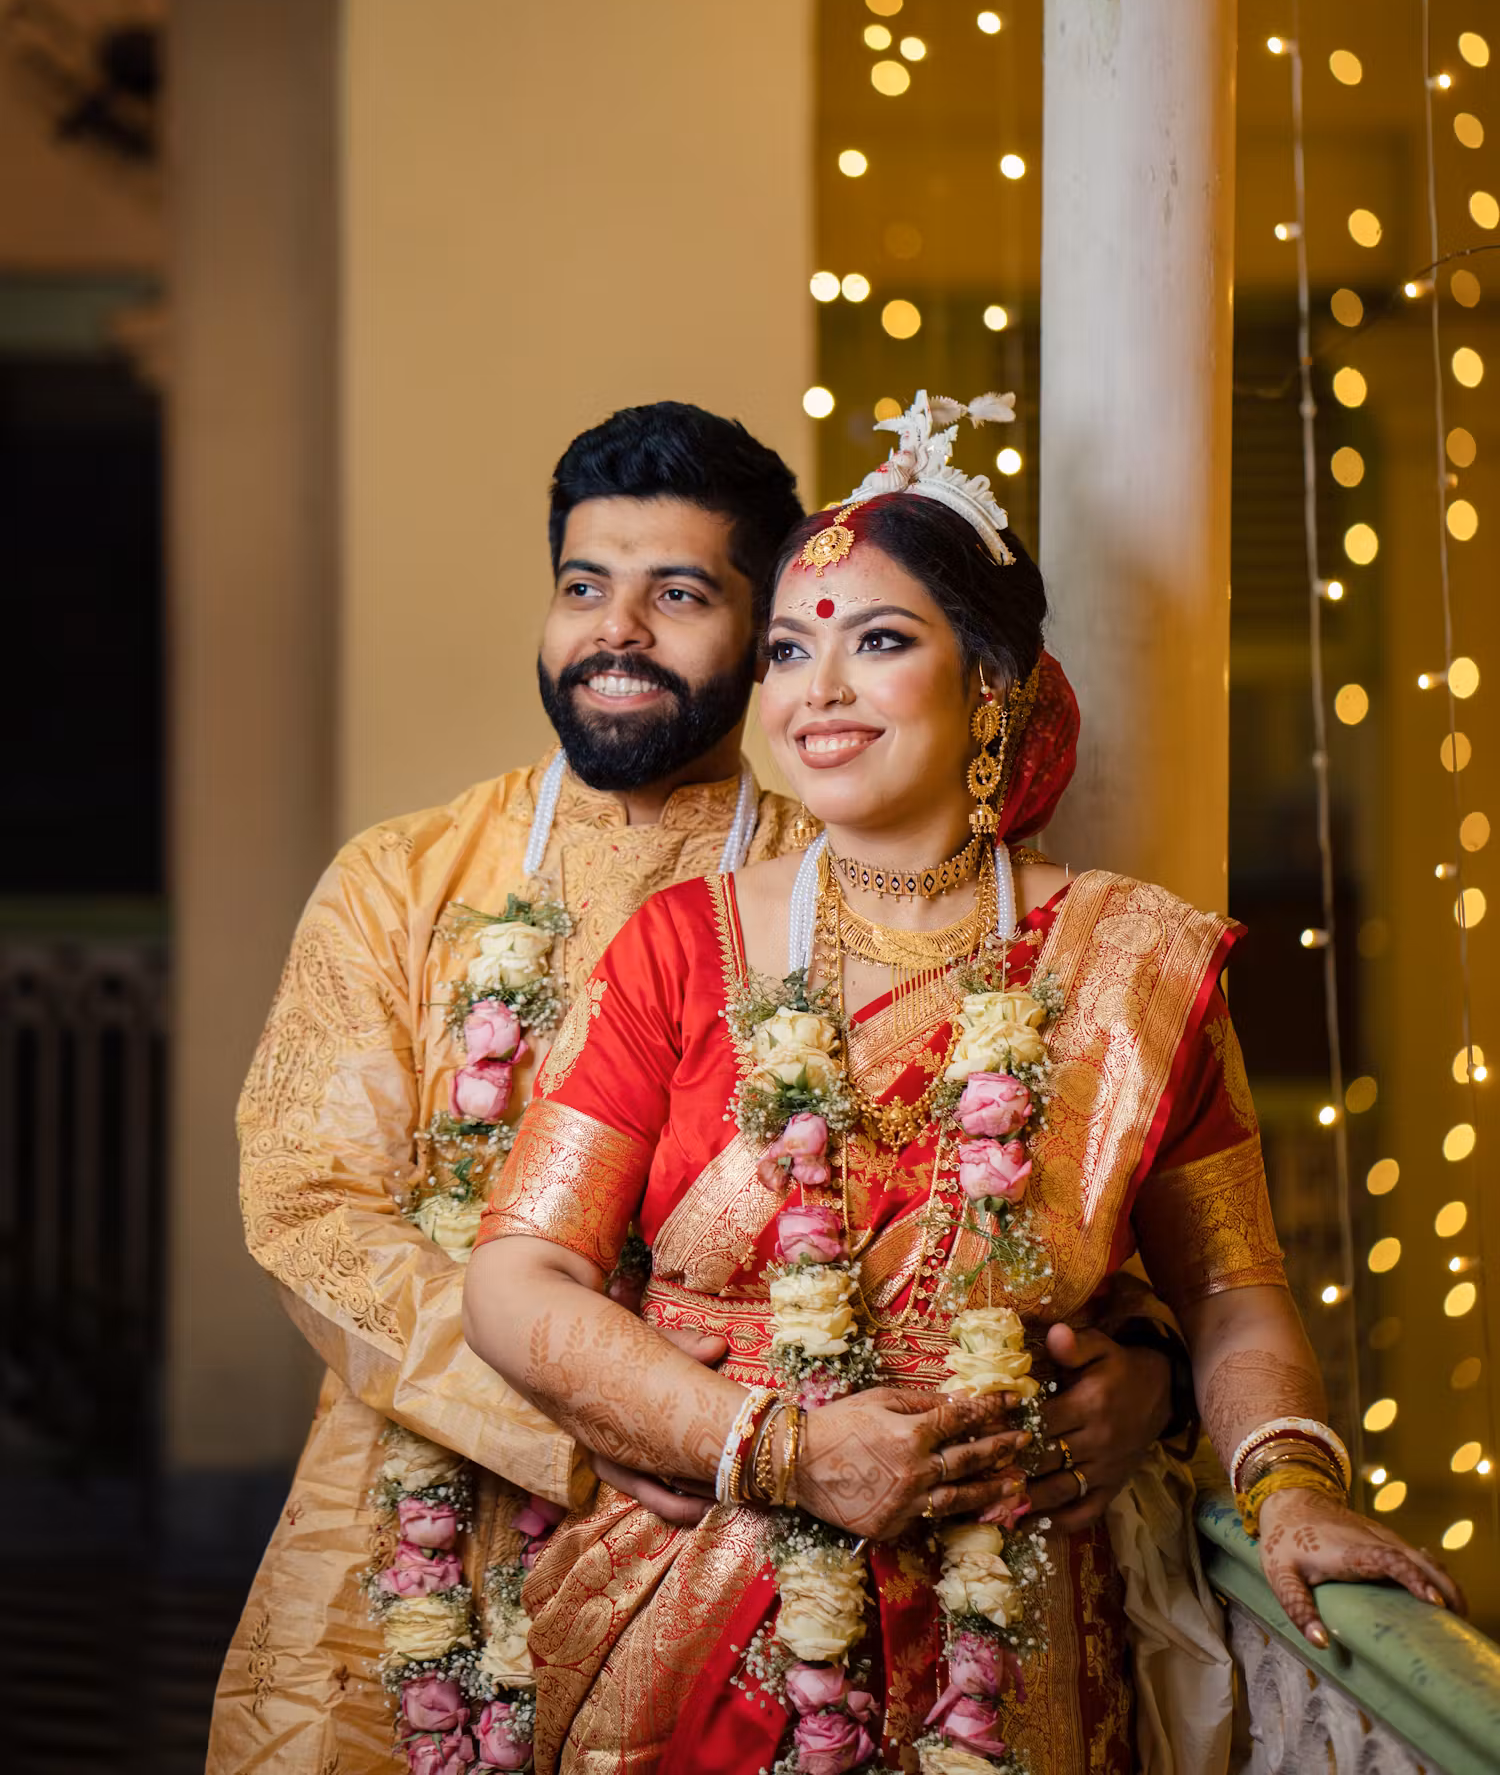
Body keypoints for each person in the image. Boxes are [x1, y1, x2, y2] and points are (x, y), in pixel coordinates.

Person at [466, 392, 1464, 1775]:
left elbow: (1232, 1290)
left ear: (990, 682)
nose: (818, 689)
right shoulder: (679, 947)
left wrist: (1287, 1485)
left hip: (1020, 1615)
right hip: (690, 1607)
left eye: (878, 641)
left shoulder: (1137, 963)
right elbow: (516, 1277)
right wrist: (778, 1449)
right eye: (790, 649)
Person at [210, 397, 1177, 1775]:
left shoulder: (861, 881)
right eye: (583, 588)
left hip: (753, 1561)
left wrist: (1147, 1362)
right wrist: (610, 1411)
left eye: (678, 593)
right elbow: (310, 1208)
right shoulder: (401, 879)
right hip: (414, 1514)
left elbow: (1011, 1176)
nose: (616, 629)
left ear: (772, 620)